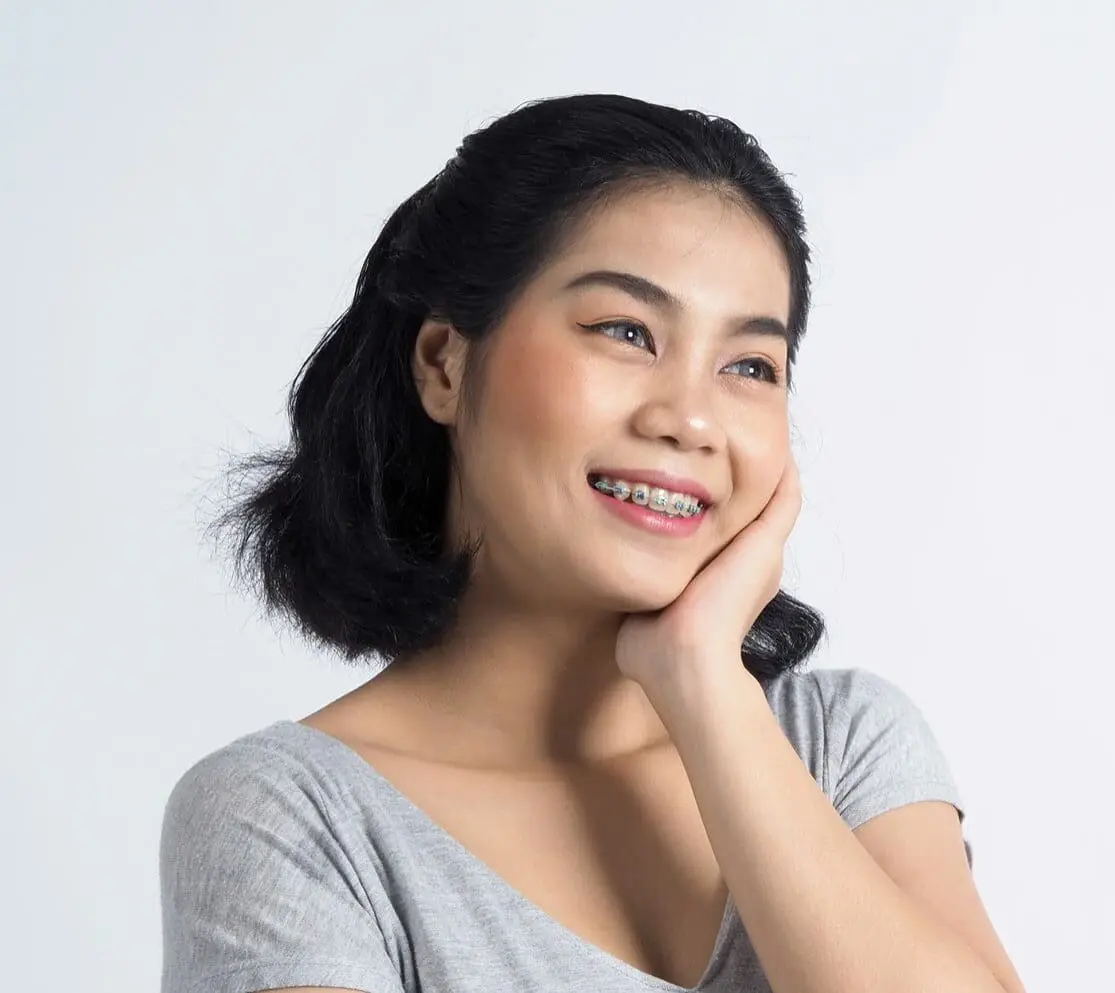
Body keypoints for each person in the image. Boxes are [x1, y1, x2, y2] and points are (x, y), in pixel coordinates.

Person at [159, 94, 1025, 993]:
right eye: (624, 331)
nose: (689, 418)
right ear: (445, 362)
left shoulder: (840, 746)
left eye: (749, 366)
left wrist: (702, 682)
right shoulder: (290, 817)